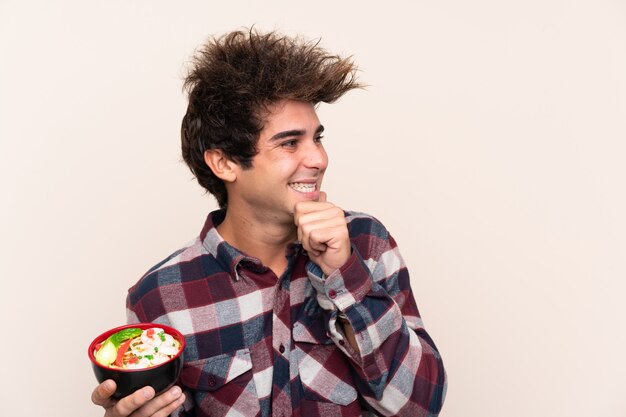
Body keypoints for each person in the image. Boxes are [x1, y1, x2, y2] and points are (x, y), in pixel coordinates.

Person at [92, 29, 446, 417]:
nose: (318, 159)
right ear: (224, 162)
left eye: (317, 138)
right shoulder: (161, 294)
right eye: (290, 143)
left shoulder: (366, 243)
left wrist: (343, 275)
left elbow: (420, 407)